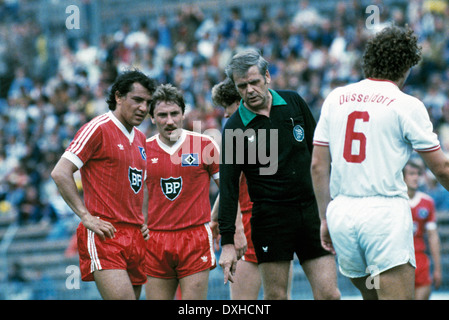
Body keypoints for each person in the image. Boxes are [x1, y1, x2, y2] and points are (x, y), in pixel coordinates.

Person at [311, 26, 449, 300]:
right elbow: (442, 168)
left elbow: (317, 165)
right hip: (383, 214)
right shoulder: (405, 104)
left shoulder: (335, 98)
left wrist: (324, 217)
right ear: (407, 66)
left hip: (342, 214)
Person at [218, 48, 340, 300]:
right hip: (270, 219)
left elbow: (320, 156)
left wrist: (332, 205)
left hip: (310, 213)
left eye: (254, 82)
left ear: (267, 77)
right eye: (242, 86)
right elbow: (228, 188)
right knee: (276, 297)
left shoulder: (294, 101)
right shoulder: (235, 127)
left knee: (330, 295)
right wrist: (227, 242)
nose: (250, 90)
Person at [51, 70, 156, 300]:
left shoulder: (140, 138)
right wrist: (86, 216)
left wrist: (144, 219)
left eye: (148, 102)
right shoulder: (98, 128)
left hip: (136, 235)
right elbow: (60, 172)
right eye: (137, 100)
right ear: (118, 97)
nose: (143, 108)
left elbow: (142, 183)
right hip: (105, 234)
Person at [143, 83, 220, 300]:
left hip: (194, 236)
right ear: (152, 117)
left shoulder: (205, 144)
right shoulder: (142, 150)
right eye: (162, 115)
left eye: (174, 113)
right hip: (156, 239)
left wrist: (219, 219)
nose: (169, 120)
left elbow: (229, 188)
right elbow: (139, 198)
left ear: (183, 114)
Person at [210, 78, 260, 299]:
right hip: (259, 216)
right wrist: (214, 216)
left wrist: (221, 221)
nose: (225, 115)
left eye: (227, 108)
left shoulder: (241, 132)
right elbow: (231, 184)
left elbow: (232, 182)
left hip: (249, 220)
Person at [403, 160, 442, 300]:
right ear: (402, 177)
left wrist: (437, 268)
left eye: (418, 174)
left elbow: (433, 236)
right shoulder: (395, 201)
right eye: (411, 174)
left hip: (420, 258)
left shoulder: (427, 202)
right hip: (400, 259)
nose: (415, 177)